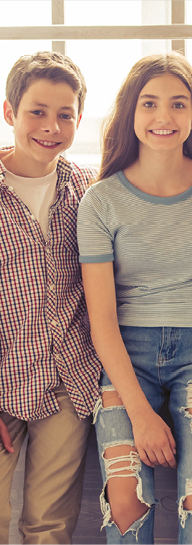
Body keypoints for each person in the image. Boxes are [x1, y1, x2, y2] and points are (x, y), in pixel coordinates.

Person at [77, 52, 192, 544]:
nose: (164, 117)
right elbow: (101, 321)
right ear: (129, 114)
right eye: (150, 104)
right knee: (125, 502)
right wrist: (140, 415)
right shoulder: (100, 200)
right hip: (125, 355)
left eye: (179, 105)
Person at [0, 51, 102, 544]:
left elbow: (157, 197)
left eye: (65, 114)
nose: (51, 126)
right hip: (2, 382)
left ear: (79, 120)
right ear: (9, 112)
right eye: (37, 111)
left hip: (67, 383)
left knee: (49, 527)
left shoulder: (89, 186)